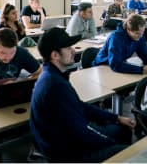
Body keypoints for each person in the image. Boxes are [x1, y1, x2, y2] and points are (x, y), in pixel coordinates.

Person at [30, 27, 135, 162]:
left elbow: (80, 106)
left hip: (67, 138)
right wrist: (111, 144)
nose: (73, 50)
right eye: (68, 48)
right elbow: (80, 134)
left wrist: (116, 118)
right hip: (65, 153)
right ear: (55, 55)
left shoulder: (54, 75)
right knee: (127, 152)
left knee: (123, 130)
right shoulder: (54, 85)